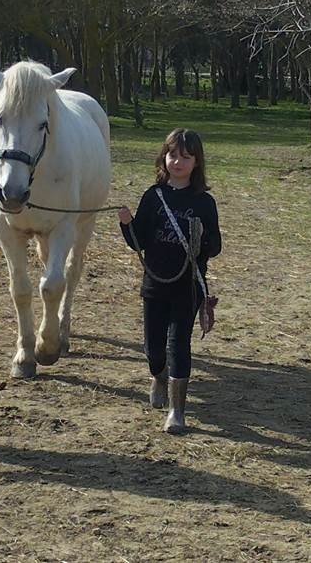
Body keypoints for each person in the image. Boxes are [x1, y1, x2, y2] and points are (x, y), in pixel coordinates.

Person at [118, 128, 222, 434]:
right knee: (153, 348)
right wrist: (127, 225)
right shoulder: (153, 197)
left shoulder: (205, 202)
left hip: (187, 287)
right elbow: (138, 242)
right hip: (155, 284)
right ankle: (158, 375)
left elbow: (216, 246)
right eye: (173, 154)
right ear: (164, 157)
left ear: (196, 162)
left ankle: (177, 410)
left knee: (179, 344)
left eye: (185, 157)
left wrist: (201, 238)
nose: (177, 161)